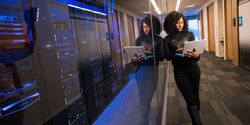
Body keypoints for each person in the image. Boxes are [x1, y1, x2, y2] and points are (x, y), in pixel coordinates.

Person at [163, 11, 202, 125]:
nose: (180, 25)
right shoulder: (167, 39)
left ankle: (196, 121)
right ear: (171, 23)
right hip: (180, 72)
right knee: (190, 100)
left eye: (181, 22)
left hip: (193, 69)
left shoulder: (190, 34)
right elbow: (167, 57)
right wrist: (176, 51)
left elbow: (196, 54)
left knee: (195, 97)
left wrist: (197, 56)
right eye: (177, 23)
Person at [131, 14, 164, 125]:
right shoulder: (139, 39)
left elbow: (161, 57)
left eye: (148, 26)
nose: (146, 29)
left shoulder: (158, 39)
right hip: (140, 72)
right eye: (144, 26)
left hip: (152, 71)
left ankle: (143, 119)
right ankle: (145, 120)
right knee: (142, 98)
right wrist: (135, 60)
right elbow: (135, 59)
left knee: (147, 97)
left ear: (153, 26)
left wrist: (150, 54)